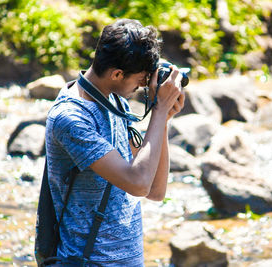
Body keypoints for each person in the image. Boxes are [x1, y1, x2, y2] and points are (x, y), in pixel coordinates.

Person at [45, 18, 185, 266]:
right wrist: (159, 110)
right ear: (117, 74)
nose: (142, 87)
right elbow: (138, 184)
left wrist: (162, 117)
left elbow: (154, 190)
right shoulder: (71, 119)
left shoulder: (114, 101)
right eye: (140, 81)